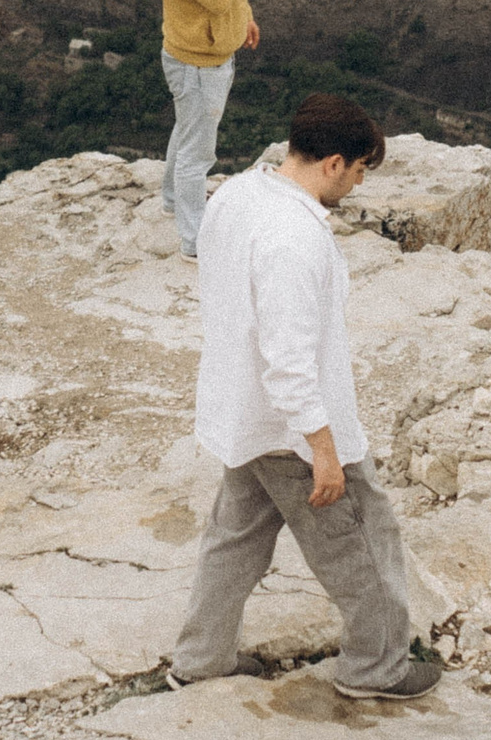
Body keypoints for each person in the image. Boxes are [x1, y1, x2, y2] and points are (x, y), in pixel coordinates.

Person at [169, 94, 441, 701]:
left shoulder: (237, 194)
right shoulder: (295, 238)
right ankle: (378, 667)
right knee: (363, 540)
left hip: (242, 416)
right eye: (361, 169)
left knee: (235, 539)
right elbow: (288, 360)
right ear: (334, 163)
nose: (360, 181)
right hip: (292, 427)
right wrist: (323, 447)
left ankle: (200, 659)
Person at [156, 0, 260, 258]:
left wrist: (245, 16)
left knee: (187, 130)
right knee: (198, 151)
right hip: (197, 63)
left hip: (209, 54)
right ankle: (195, 242)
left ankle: (171, 199)